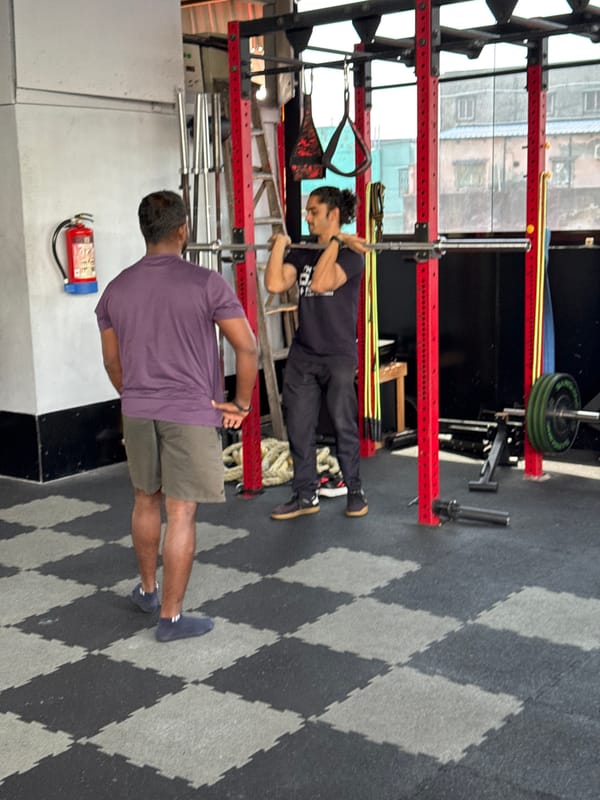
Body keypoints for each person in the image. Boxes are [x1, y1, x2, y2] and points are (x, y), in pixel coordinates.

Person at [95, 190, 258, 642]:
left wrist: (134, 395)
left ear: (144, 230)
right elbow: (247, 347)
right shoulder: (205, 283)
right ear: (183, 230)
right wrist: (241, 405)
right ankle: (170, 619)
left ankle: (148, 591)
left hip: (138, 408)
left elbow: (111, 362)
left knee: (145, 498)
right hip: (190, 412)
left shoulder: (116, 289)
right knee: (181, 513)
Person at [265, 186, 369, 521]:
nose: (307, 217)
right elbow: (274, 285)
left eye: (313, 211)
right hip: (304, 352)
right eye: (307, 211)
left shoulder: (353, 255)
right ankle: (305, 494)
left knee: (343, 426)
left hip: (338, 354)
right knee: (298, 425)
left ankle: (355, 491)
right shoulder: (304, 251)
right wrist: (279, 251)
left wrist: (337, 243)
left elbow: (322, 283)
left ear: (332, 215)